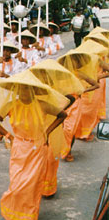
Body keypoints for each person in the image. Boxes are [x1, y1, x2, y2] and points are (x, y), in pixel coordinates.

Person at [0, 70, 68, 220]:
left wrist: (47, 132)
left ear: (33, 90)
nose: (24, 92)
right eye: (21, 88)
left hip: (37, 148)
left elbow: (62, 115)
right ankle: (14, 211)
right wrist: (8, 134)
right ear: (16, 89)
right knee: (17, 185)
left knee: (31, 187)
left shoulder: (42, 105)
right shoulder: (11, 104)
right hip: (18, 148)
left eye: (27, 88)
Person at [30, 59, 84, 196]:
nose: (44, 77)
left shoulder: (57, 89)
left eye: (46, 75)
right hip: (37, 127)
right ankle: (37, 185)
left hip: (53, 127)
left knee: (51, 157)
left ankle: (49, 188)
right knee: (38, 158)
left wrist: (59, 109)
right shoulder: (34, 89)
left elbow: (71, 98)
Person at [57, 50, 99, 160]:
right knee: (63, 128)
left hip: (75, 104)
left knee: (70, 129)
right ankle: (65, 150)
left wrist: (83, 90)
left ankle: (67, 150)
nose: (72, 63)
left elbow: (96, 85)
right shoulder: (61, 74)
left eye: (74, 61)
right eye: (70, 61)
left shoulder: (79, 74)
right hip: (63, 103)